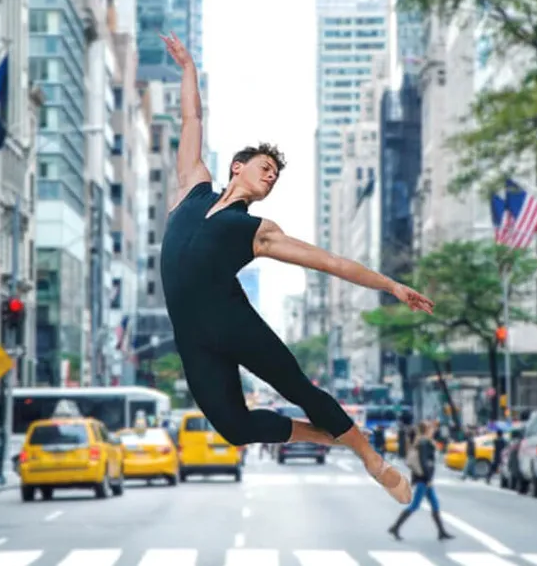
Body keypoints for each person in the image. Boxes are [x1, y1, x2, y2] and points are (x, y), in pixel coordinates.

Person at [156, 32, 432, 504]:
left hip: (232, 322)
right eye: (264, 167)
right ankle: (323, 435)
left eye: (275, 176)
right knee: (234, 428)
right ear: (237, 166)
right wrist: (188, 71)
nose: (270, 176)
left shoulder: (259, 230)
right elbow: (191, 118)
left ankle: (371, 458)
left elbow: (331, 262)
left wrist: (391, 285)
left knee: (299, 388)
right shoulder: (191, 185)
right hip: (191, 335)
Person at [388, 421, 452, 540]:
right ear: (427, 430)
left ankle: (441, 532)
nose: (433, 431)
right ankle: (395, 527)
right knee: (415, 506)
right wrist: (428, 478)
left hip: (425, 479)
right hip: (424, 479)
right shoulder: (423, 442)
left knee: (435, 504)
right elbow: (423, 462)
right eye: (431, 429)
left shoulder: (423, 441)